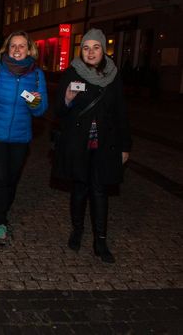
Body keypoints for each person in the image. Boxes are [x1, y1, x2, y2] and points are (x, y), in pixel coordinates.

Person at [53, 28, 131, 264]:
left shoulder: (113, 76)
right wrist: (67, 99)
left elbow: (121, 113)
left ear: (103, 50)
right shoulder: (72, 72)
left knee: (99, 190)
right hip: (79, 142)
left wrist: (125, 146)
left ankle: (100, 241)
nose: (91, 52)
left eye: (96, 47)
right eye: (86, 48)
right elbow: (58, 111)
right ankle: (77, 230)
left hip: (105, 143)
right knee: (79, 188)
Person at [0, 31, 48, 245]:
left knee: (12, 180)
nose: (17, 49)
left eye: (22, 46)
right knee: (0, 179)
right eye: (13, 45)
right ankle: (0, 223)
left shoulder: (37, 75)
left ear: (29, 50)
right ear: (6, 48)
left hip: (20, 139)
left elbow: (41, 110)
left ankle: (3, 209)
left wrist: (35, 104)